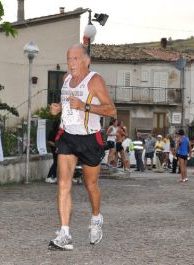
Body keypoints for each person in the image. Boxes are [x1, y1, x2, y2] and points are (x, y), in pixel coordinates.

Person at [48, 44, 116, 250]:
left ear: (86, 61)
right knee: (63, 184)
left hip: (89, 139)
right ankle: (65, 233)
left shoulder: (94, 80)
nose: (71, 63)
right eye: (69, 59)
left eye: (76, 59)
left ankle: (96, 218)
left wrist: (85, 106)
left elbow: (111, 110)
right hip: (68, 136)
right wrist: (58, 109)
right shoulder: (65, 79)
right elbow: (68, 106)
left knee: (91, 185)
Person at [45, 119, 61, 184]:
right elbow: (49, 141)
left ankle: (54, 176)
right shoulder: (53, 131)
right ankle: (49, 177)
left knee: (58, 163)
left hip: (59, 149)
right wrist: (56, 146)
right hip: (55, 149)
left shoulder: (60, 131)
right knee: (56, 162)